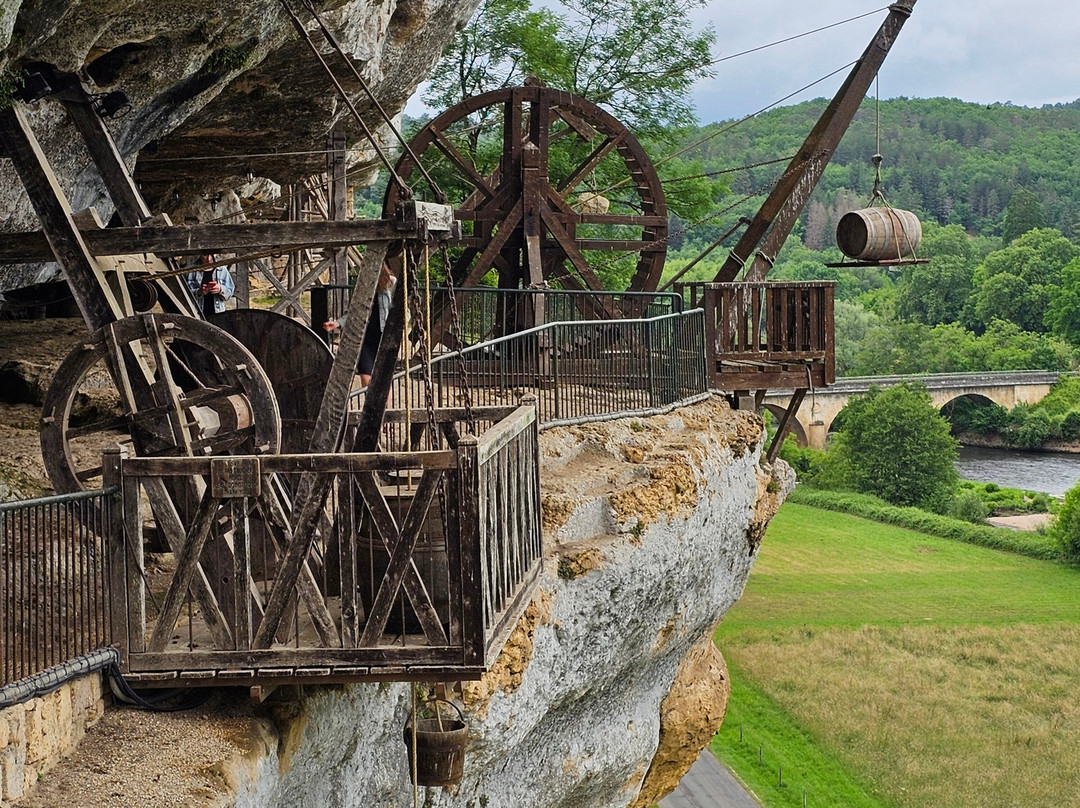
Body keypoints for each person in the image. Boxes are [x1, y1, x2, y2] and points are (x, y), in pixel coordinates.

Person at [324, 263, 397, 387]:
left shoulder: (391, 282)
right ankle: (369, 400)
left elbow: (401, 307)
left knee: (383, 379)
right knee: (366, 377)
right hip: (364, 338)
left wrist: (399, 326)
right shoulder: (363, 285)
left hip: (383, 336)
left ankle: (385, 401)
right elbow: (354, 310)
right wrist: (338, 323)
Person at [186, 253, 235, 318]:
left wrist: (220, 289)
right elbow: (185, 293)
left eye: (211, 254)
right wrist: (199, 292)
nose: (209, 259)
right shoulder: (192, 269)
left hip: (218, 313)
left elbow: (230, 291)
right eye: (205, 255)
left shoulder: (221, 269)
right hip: (197, 314)